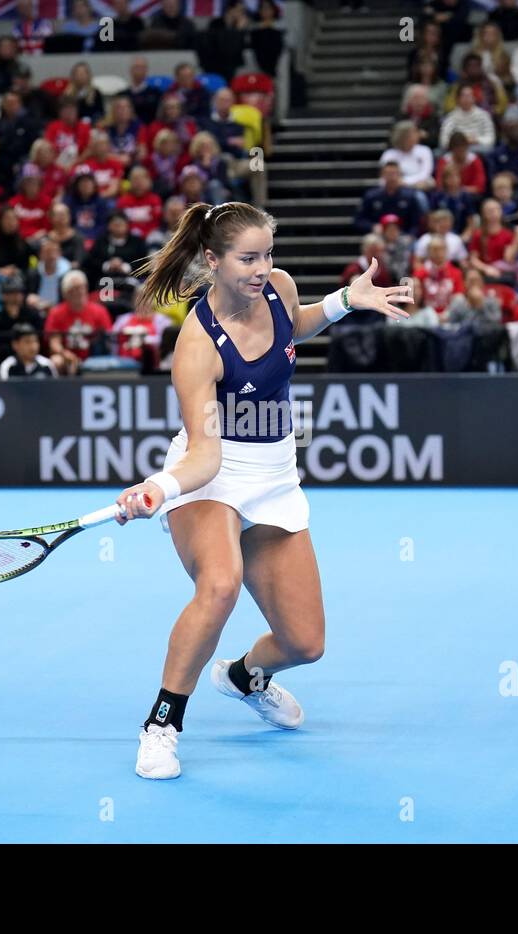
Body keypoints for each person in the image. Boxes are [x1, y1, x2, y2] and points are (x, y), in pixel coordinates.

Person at [117, 201, 410, 780]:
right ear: (212, 260)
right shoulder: (197, 346)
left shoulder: (277, 286)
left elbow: (294, 326)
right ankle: (161, 725)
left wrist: (346, 302)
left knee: (305, 643)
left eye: (267, 254)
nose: (261, 268)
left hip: (275, 476)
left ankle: (244, 676)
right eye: (246, 258)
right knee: (220, 584)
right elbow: (205, 455)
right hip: (213, 476)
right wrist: (158, 487)